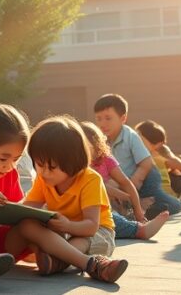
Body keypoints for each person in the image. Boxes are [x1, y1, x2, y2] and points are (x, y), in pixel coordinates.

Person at [0, 105, 128, 290]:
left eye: (16, 159)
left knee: (28, 223)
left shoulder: (9, 172)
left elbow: (18, 212)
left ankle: (91, 264)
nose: (10, 166)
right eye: (3, 158)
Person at [24, 116, 129, 281]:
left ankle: (59, 262)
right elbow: (28, 208)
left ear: (73, 162)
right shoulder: (43, 179)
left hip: (98, 232)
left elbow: (91, 226)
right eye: (39, 164)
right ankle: (55, 261)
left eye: (52, 167)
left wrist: (68, 225)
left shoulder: (90, 180)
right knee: (30, 227)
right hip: (64, 232)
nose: (44, 172)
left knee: (81, 241)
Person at [93, 94, 181, 217]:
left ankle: (171, 204)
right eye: (98, 119)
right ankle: (139, 206)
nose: (102, 123)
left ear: (123, 118)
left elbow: (146, 162)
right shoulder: (99, 139)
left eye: (108, 118)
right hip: (120, 181)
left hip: (144, 179)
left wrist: (134, 184)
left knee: (169, 204)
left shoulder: (130, 136)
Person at [80, 121, 169, 240]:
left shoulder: (106, 159)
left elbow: (126, 183)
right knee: (108, 219)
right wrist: (118, 193)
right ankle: (139, 230)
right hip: (87, 209)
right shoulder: (78, 163)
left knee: (113, 214)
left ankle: (137, 216)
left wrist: (138, 212)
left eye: (90, 146)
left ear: (98, 145)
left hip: (108, 206)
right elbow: (94, 185)